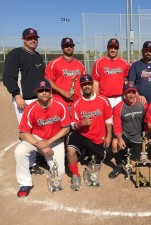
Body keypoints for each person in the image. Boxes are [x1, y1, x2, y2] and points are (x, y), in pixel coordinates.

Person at [14, 79, 71, 197]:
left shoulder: (61, 104)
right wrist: (42, 146)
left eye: (46, 90)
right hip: (37, 139)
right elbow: (23, 133)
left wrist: (48, 142)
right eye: (41, 91)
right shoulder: (30, 109)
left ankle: (50, 169)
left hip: (55, 140)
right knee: (19, 151)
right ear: (36, 93)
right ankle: (25, 183)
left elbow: (66, 128)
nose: (44, 93)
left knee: (59, 173)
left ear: (50, 92)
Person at [3, 27, 45, 175]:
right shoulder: (16, 54)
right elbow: (8, 77)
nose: (33, 40)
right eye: (29, 38)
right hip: (24, 99)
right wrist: (17, 95)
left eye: (35, 38)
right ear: (23, 39)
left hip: (39, 99)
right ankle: (30, 163)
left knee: (38, 128)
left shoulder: (37, 56)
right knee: (27, 130)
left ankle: (36, 155)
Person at [66, 74, 113, 191]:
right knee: (71, 151)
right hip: (81, 135)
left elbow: (108, 119)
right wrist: (81, 123)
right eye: (84, 85)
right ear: (81, 87)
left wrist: (109, 136)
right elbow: (71, 125)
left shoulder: (103, 100)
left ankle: (89, 167)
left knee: (94, 168)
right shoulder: (77, 103)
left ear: (93, 85)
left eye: (89, 84)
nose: (87, 86)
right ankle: (75, 175)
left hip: (98, 138)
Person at [108, 82, 148, 179]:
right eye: (128, 92)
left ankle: (129, 158)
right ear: (124, 94)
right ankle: (119, 166)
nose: (131, 95)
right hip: (125, 134)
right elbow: (117, 126)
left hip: (138, 136)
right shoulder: (118, 107)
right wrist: (120, 138)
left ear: (136, 93)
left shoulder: (143, 104)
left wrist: (147, 136)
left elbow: (147, 122)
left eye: (133, 92)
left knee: (133, 165)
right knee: (114, 143)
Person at [45, 37, 85, 108]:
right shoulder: (54, 63)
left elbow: (83, 82)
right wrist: (63, 92)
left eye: (71, 46)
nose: (69, 48)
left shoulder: (80, 64)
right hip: (60, 102)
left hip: (78, 102)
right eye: (66, 46)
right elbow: (48, 81)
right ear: (62, 47)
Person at [92, 38, 130, 108]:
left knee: (119, 119)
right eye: (111, 47)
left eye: (115, 48)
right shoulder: (99, 62)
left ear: (118, 49)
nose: (113, 50)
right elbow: (95, 81)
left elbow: (128, 80)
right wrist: (95, 98)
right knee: (106, 119)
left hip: (120, 98)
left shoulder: (124, 63)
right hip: (104, 98)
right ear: (107, 48)